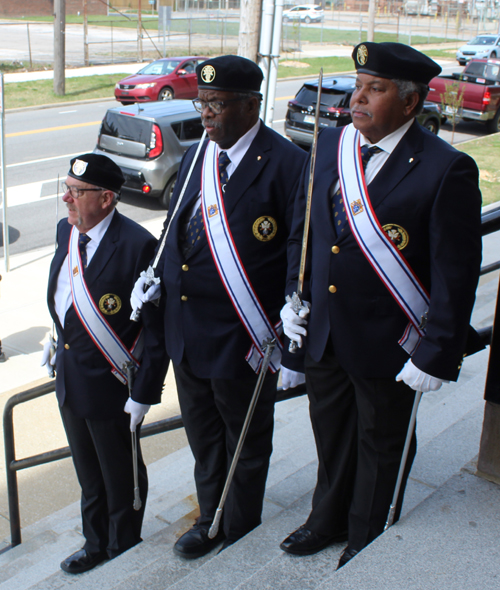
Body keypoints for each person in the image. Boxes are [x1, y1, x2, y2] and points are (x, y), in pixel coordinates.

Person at [279, 42, 484, 568]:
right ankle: (325, 519)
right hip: (325, 332)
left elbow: (454, 274)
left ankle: (368, 532)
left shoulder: (445, 169)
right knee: (331, 436)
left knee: (381, 442)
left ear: (411, 103)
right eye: (358, 86)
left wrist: (437, 352)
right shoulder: (330, 147)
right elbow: (306, 236)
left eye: (376, 89)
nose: (358, 98)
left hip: (390, 340)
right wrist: (293, 302)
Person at [131, 55, 307, 558]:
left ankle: (238, 524)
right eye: (202, 102)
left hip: (242, 336)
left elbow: (296, 254)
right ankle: (211, 517)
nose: (206, 113)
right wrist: (154, 278)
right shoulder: (196, 156)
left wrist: (291, 333)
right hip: (187, 329)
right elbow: (176, 230)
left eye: (218, 103)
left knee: (245, 440)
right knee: (205, 438)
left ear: (252, 105)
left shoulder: (289, 164)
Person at [45, 153, 168, 574]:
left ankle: (123, 545)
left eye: (77, 193)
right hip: (71, 376)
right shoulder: (66, 230)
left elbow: (154, 330)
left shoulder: (137, 246)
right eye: (67, 189)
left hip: (113, 385)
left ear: (107, 198)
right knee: (88, 473)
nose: (67, 199)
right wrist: (56, 337)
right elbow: (65, 292)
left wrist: (145, 393)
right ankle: (94, 542)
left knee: (120, 473)